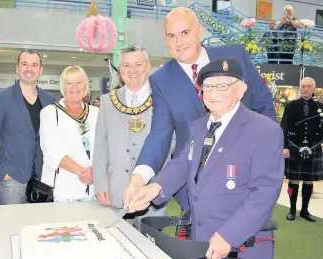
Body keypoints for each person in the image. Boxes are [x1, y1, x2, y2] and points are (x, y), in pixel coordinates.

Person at [126, 58, 284, 259]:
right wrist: (155, 188)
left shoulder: (264, 131)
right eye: (207, 87)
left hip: (239, 254)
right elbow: (182, 163)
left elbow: (264, 192)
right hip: (199, 248)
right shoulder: (199, 127)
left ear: (241, 89)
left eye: (222, 86)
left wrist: (229, 235)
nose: (213, 93)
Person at [123, 7, 277, 210]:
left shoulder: (235, 56)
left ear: (200, 31)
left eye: (185, 32)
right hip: (194, 185)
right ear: (165, 39)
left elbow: (263, 104)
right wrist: (138, 178)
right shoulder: (161, 80)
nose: (179, 42)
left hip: (245, 179)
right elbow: (159, 134)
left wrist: (264, 156)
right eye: (171, 36)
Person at [93, 45, 173, 230]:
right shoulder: (107, 101)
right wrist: (101, 184)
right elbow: (100, 146)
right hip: (115, 190)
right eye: (126, 66)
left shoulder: (164, 98)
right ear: (120, 71)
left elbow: (171, 143)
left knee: (150, 248)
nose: (132, 71)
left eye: (138, 64)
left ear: (148, 66)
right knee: (116, 246)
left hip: (152, 190)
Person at [0, 49, 55, 205]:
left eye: (34, 65)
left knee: (37, 227)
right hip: (11, 179)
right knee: (9, 227)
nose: (29, 69)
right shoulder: (2, 97)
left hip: (42, 179)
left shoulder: (49, 100)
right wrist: (0, 172)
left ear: (40, 70)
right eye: (24, 64)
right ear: (17, 68)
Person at [40, 66, 98, 202]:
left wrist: (94, 172)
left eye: (78, 82)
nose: (74, 87)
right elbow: (51, 152)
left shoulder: (97, 113)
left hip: (93, 189)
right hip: (61, 190)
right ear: (63, 86)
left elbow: (105, 148)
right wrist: (81, 172)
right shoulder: (50, 113)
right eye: (69, 83)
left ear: (85, 85)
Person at [281, 77, 322, 222]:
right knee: (294, 179)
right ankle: (292, 210)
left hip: (314, 147)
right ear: (300, 88)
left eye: (309, 86)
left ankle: (305, 210)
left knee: (309, 180)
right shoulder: (291, 105)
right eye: (303, 86)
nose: (306, 89)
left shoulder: (320, 107)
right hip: (294, 146)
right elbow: (284, 127)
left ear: (313, 89)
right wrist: (284, 146)